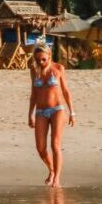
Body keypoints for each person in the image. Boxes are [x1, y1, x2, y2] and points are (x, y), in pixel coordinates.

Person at [28, 43, 77, 187]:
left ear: (49, 56)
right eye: (38, 60)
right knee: (40, 148)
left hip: (57, 110)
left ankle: (57, 180)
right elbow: (33, 94)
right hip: (40, 112)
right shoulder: (34, 70)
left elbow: (66, 92)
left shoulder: (59, 68)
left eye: (43, 59)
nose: (41, 62)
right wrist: (30, 114)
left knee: (55, 145)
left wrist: (72, 112)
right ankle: (52, 170)